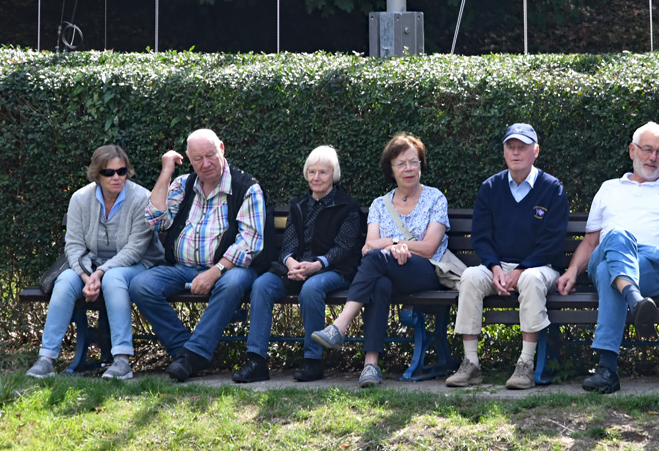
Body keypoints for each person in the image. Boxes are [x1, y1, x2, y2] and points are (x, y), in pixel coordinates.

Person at [556, 122, 659, 394]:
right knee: (617, 236)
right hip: (610, 253)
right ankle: (635, 300)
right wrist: (572, 271)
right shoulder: (609, 188)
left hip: (654, 264)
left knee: (609, 273)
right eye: (647, 149)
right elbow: (591, 242)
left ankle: (607, 369)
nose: (653, 157)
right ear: (632, 150)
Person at [129, 129, 271, 383]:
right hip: (182, 267)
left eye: (210, 155)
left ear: (222, 149)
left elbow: (250, 242)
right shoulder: (182, 185)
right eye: (197, 159)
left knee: (232, 283)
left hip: (230, 269)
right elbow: (155, 221)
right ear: (189, 159)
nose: (205, 164)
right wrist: (166, 172)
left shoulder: (247, 188)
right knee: (141, 285)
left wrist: (215, 271)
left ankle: (192, 356)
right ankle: (185, 351)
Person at [311, 133, 449, 388]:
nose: (409, 168)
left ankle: (340, 325)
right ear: (391, 169)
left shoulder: (435, 198)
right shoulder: (379, 205)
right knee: (379, 282)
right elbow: (368, 248)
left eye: (414, 162)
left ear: (421, 164)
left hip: (426, 272)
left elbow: (429, 248)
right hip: (387, 271)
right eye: (401, 164)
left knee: (378, 260)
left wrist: (393, 243)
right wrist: (391, 249)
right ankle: (371, 364)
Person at [446, 123, 568, 390]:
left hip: (539, 267)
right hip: (498, 267)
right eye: (511, 147)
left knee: (531, 280)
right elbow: (481, 236)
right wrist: (495, 268)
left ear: (535, 151)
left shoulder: (552, 188)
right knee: (470, 277)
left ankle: (525, 364)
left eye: (522, 147)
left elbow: (552, 241)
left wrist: (521, 269)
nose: (516, 152)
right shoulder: (490, 187)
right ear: (504, 152)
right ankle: (470, 363)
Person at [26, 145, 164, 380]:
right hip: (91, 265)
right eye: (109, 173)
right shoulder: (80, 198)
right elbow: (74, 245)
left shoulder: (141, 198)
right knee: (64, 281)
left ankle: (121, 360)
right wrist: (85, 276)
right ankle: (46, 359)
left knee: (113, 278)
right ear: (97, 174)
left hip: (137, 264)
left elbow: (135, 249)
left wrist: (99, 273)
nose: (116, 177)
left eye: (121, 171)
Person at [232, 146, 362, 383]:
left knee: (312, 289)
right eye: (312, 172)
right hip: (296, 270)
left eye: (323, 172)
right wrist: (291, 263)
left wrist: (317, 265)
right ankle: (256, 361)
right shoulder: (299, 206)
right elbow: (288, 245)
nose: (316, 177)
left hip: (333, 270)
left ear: (333, 174)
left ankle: (313, 360)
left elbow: (343, 248)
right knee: (262, 285)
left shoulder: (347, 207)